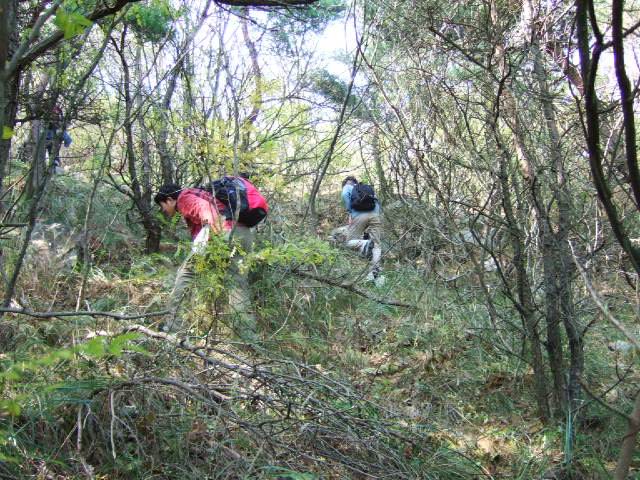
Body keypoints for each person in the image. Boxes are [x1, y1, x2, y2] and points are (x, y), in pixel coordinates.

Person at [154, 176, 268, 335]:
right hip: (244, 234)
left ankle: (173, 326)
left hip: (223, 233)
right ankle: (246, 335)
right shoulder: (204, 194)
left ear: (169, 200)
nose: (164, 210)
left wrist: (218, 238)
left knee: (186, 274)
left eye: (162, 206)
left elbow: (206, 211)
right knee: (237, 285)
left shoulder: (184, 198)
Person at [332, 176, 383, 283]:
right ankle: (375, 274)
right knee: (376, 245)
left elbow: (344, 194)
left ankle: (364, 244)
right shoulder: (367, 189)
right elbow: (377, 202)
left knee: (347, 241)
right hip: (375, 215)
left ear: (346, 183)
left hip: (358, 216)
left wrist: (350, 212)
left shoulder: (347, 187)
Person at [45, 106, 72, 171]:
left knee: (54, 161)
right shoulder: (45, 127)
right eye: (53, 116)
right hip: (44, 149)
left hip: (53, 152)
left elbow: (68, 140)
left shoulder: (59, 129)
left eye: (56, 116)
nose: (54, 119)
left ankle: (54, 166)